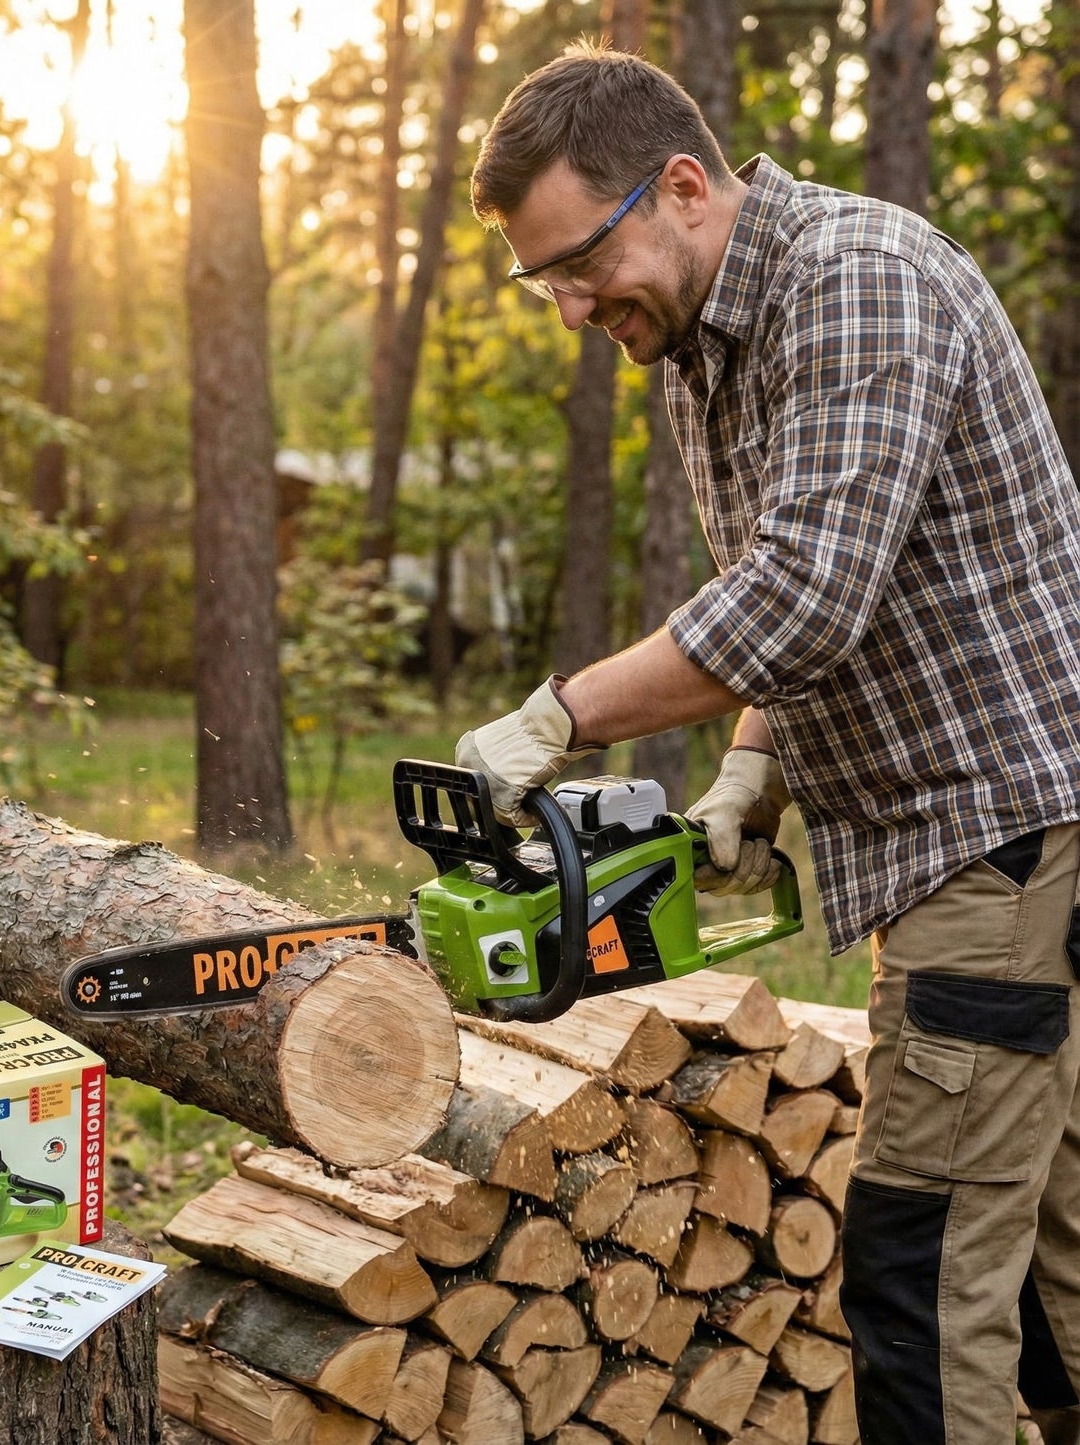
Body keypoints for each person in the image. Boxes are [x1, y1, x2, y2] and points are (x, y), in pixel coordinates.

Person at [456, 41, 1080, 1445]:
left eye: (581, 261)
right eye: (544, 282)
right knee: (1055, 1280)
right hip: (987, 840)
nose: (573, 307)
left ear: (682, 186)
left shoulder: (857, 283)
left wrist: (557, 717)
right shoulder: (705, 342)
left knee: (923, 1286)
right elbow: (796, 590)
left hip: (999, 839)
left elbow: (804, 594)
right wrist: (755, 767)